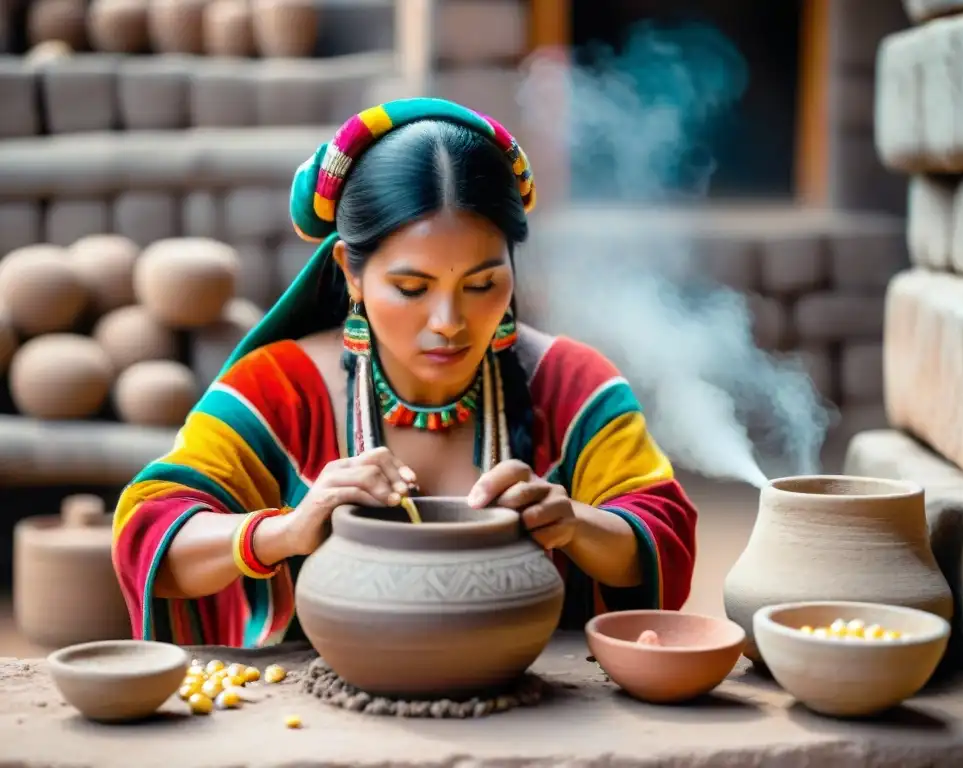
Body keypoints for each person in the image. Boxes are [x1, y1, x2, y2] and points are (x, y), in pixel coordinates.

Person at [112, 98, 698, 647]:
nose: (448, 322)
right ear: (351, 270)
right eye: (412, 288)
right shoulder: (278, 390)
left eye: (481, 284)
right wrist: (286, 531)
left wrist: (574, 522)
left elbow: (662, 531)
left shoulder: (573, 385)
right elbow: (148, 532)